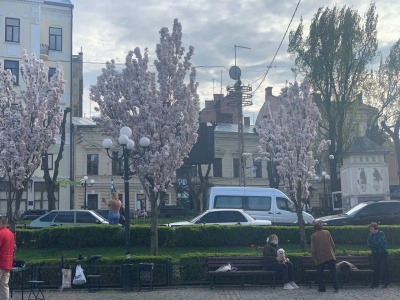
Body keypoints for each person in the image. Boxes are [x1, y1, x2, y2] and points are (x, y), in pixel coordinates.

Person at [311, 219, 339, 292]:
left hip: (320, 256)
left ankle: (322, 288)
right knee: (333, 272)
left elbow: (313, 248)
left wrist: (314, 257)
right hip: (329, 255)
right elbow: (332, 243)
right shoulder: (327, 232)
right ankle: (336, 286)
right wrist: (333, 251)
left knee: (320, 273)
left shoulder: (313, 235)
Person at [367, 222, 389, 288]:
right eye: (370, 229)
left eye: (371, 229)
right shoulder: (370, 235)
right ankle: (375, 283)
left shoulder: (381, 233)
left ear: (375, 228)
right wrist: (373, 245)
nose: (370, 230)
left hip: (383, 253)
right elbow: (368, 243)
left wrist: (373, 245)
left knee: (383, 268)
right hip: (375, 253)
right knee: (375, 268)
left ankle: (385, 283)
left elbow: (380, 242)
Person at [0, 216, 15, 300]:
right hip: (8, 263)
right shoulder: (10, 233)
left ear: (1, 223)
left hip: (0, 262)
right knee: (4, 285)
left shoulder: (1, 233)